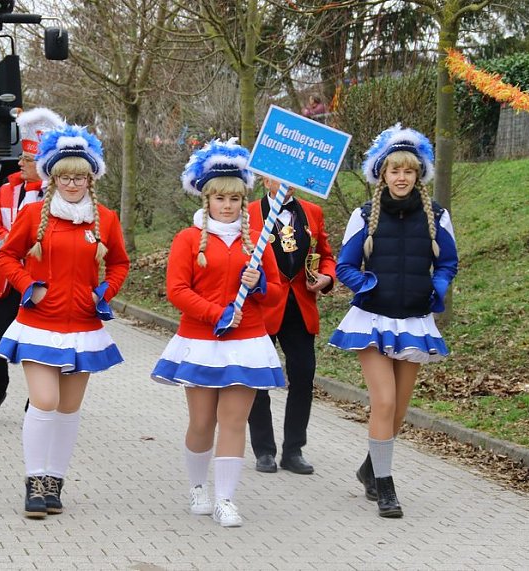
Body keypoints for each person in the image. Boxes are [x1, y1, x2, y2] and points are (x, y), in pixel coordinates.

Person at [0, 124, 129, 519]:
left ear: (91, 178)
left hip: (84, 327)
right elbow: (6, 257)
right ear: (52, 177)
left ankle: (54, 483)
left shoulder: (105, 218)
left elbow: (120, 262)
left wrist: (104, 293)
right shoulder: (34, 214)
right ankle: (34, 481)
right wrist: (27, 286)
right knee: (46, 401)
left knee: (69, 409)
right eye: (65, 176)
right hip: (38, 323)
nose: (72, 183)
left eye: (80, 176)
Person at [151, 139, 285, 528]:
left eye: (235, 198)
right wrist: (215, 314)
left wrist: (259, 284)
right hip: (201, 342)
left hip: (247, 342)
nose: (227, 205)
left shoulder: (258, 242)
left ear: (243, 200)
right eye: (219, 198)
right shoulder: (187, 240)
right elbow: (177, 290)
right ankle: (198, 486)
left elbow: (277, 293)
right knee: (202, 423)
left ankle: (226, 498)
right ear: (206, 198)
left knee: (233, 421)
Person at [329, 124, 458, 518]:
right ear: (381, 174)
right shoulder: (364, 214)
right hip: (372, 320)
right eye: (393, 171)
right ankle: (386, 488)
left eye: (408, 171)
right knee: (383, 401)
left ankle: (370, 468)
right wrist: (365, 284)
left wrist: (436, 287)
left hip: (414, 321)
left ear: (418, 175)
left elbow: (448, 262)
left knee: (399, 410)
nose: (401, 178)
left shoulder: (437, 216)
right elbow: (344, 266)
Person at [0, 107, 65, 421]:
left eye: (26, 160)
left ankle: (36, 400)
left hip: (44, 284)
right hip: (8, 281)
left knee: (40, 343)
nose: (19, 164)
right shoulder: (6, 190)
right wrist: (13, 243)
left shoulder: (59, 196)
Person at [247, 178, 336, 475]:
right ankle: (264, 450)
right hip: (262, 306)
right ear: (264, 178)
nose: (286, 182)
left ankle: (294, 449)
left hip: (300, 306)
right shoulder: (248, 213)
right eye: (278, 175)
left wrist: (327, 278)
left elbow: (325, 255)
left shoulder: (312, 211)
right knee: (259, 378)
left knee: (303, 375)